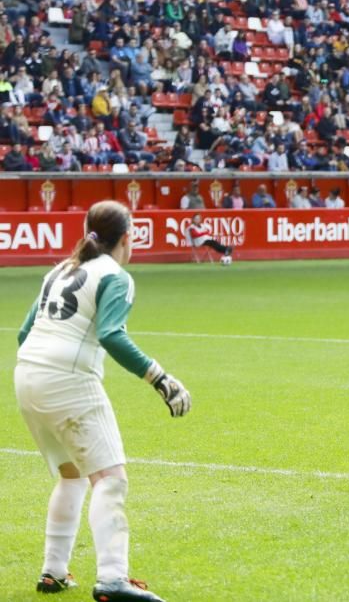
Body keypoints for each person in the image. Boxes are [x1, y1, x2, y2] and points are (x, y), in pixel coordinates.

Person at [14, 200, 191, 602]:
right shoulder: (116, 274)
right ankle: (113, 577)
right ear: (128, 238)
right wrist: (160, 378)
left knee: (72, 475)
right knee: (110, 479)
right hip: (67, 380)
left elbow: (25, 332)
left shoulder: (60, 269)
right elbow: (112, 334)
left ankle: (54, 572)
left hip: (27, 375)